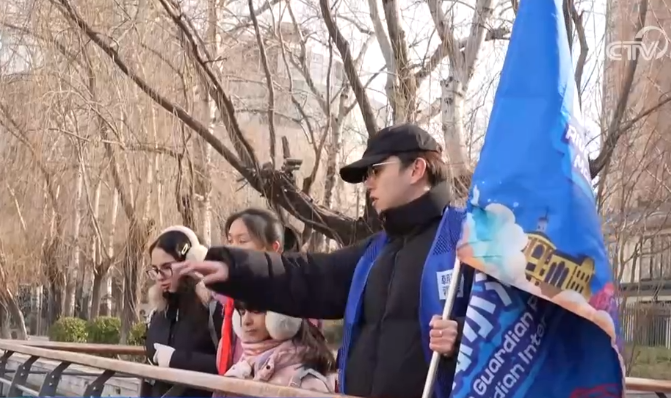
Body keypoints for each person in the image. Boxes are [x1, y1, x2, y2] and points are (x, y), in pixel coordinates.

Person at [177, 124, 476, 398]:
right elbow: (307, 276)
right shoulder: (374, 253)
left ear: (416, 169)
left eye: (376, 171)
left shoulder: (467, 240)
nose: (368, 183)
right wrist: (235, 269)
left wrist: (462, 333)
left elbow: (502, 322)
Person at [215, 209, 319, 375]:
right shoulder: (230, 296)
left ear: (274, 248)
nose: (232, 249)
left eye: (242, 241)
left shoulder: (296, 296)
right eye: (230, 240)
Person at [141, 225, 223, 397]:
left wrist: (175, 359)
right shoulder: (157, 314)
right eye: (155, 269)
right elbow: (148, 378)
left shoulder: (213, 307)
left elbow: (229, 365)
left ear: (190, 262)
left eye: (167, 267)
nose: (159, 276)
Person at [213, 300, 336, 396]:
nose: (246, 321)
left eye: (256, 310)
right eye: (242, 312)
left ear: (281, 315)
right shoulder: (239, 370)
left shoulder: (307, 384)